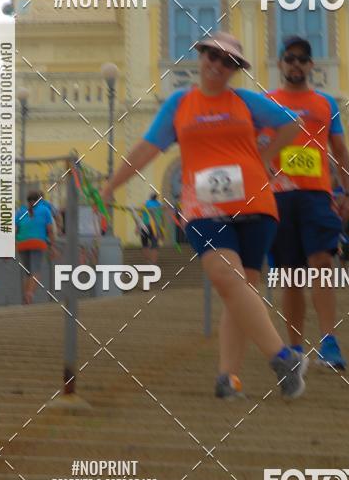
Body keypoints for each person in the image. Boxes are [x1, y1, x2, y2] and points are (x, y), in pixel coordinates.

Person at [102, 31, 306, 400]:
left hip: (256, 203)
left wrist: (265, 156)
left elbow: (293, 123)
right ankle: (282, 356)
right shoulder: (180, 104)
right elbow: (147, 148)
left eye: (227, 61)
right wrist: (110, 185)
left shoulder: (245, 102)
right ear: (200, 57)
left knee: (240, 289)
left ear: (235, 69)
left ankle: (228, 378)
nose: (217, 65)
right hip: (203, 207)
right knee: (227, 278)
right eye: (212, 56)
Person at [261, 36, 349, 370]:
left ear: (311, 64)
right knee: (289, 277)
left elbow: (340, 151)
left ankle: (329, 341)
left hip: (318, 196)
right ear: (281, 64)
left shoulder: (326, 103)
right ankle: (296, 349)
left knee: (323, 263)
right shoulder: (266, 102)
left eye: (303, 59)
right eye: (290, 58)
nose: (296, 64)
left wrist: (348, 193)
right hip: (279, 198)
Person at [15, 192, 57, 304]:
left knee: (28, 273)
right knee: (36, 271)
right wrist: (52, 247)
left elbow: (14, 229)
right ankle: (29, 295)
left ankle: (25, 298)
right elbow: (50, 230)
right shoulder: (45, 210)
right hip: (38, 243)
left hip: (22, 244)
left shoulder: (20, 211)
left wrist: (13, 244)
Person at [139, 191, 163, 271]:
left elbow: (140, 215)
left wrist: (137, 226)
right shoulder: (159, 205)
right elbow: (162, 218)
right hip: (155, 227)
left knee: (144, 244)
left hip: (145, 225)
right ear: (156, 197)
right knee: (154, 245)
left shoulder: (145, 203)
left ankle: (148, 260)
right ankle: (154, 263)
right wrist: (162, 231)